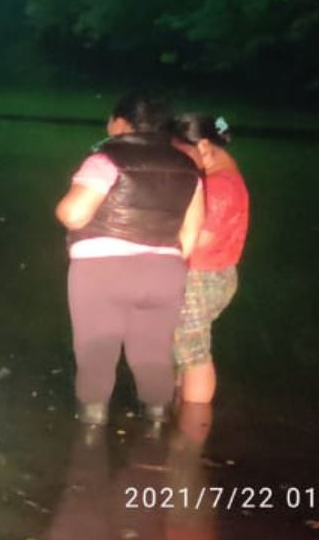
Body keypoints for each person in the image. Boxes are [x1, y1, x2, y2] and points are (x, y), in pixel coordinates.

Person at [54, 92, 204, 426]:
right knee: (153, 356)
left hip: (102, 271)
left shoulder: (106, 160)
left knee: (97, 355)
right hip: (166, 272)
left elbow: (74, 214)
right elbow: (190, 235)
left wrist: (63, 205)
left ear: (120, 122)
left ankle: (90, 438)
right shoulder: (187, 167)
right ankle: (156, 431)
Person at [172, 113, 248, 405]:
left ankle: (193, 431)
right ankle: (179, 417)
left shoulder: (218, 186)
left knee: (193, 355)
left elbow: (198, 238)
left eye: (179, 152)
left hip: (199, 278)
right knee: (184, 349)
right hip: (213, 275)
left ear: (203, 147)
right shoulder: (223, 179)